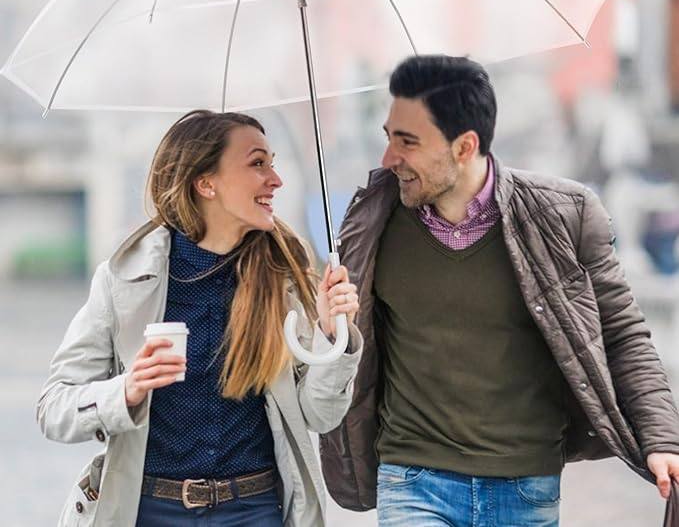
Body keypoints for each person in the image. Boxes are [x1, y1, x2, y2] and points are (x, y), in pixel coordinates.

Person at [319, 55, 679, 526]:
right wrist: (335, 330)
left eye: (407, 143)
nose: (389, 159)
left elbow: (621, 335)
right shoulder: (373, 217)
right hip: (412, 482)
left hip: (525, 487)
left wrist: (661, 438)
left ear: (465, 146)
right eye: (389, 138)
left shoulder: (564, 215)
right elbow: (349, 351)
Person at [37, 110, 362, 527]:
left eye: (273, 163)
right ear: (206, 183)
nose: (275, 179)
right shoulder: (125, 281)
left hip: (254, 509)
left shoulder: (285, 277)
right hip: (150, 509)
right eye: (257, 163)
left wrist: (333, 335)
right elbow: (53, 407)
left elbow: (320, 416)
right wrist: (127, 391)